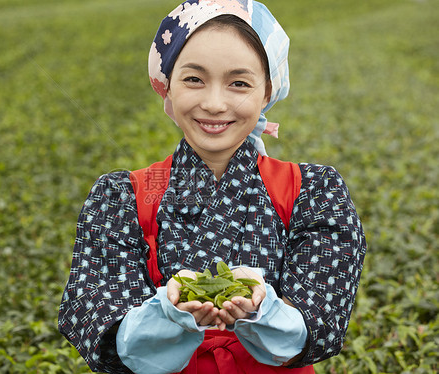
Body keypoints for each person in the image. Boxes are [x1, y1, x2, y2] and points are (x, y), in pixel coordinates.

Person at [58, 1, 366, 373]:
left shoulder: (313, 192)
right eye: (194, 79)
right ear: (166, 86)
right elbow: (96, 321)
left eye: (239, 83)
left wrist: (261, 308)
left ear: (267, 91)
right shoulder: (120, 197)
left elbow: (322, 321)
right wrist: (168, 313)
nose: (215, 103)